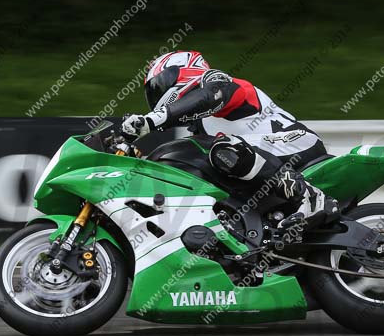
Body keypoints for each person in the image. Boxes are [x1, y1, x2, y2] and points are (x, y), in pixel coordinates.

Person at [122, 50, 338, 232]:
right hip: (265, 162)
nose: (156, 95)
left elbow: (206, 98)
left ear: (182, 71)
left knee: (223, 148)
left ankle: (310, 197)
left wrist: (151, 120)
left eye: (158, 86)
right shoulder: (200, 126)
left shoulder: (217, 82)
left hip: (296, 143)